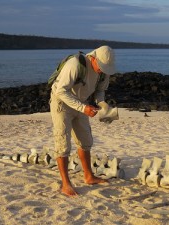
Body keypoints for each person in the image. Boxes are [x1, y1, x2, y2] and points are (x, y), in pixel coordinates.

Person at [50, 46, 116, 196]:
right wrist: (82, 108)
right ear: (93, 58)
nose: (102, 70)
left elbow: (100, 90)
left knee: (85, 140)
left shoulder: (103, 73)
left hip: (82, 102)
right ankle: (66, 184)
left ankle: (89, 176)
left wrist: (103, 105)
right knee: (62, 143)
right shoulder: (75, 65)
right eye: (101, 67)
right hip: (61, 102)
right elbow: (60, 91)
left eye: (106, 68)